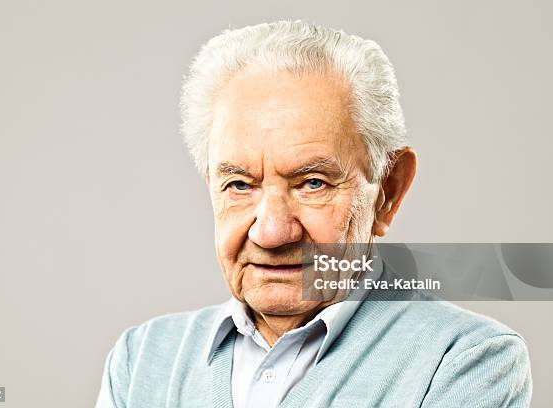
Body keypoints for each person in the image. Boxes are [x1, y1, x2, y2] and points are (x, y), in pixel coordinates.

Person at [95, 20, 532, 407]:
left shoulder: (465, 361)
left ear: (388, 192)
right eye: (240, 185)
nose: (270, 232)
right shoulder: (142, 359)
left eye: (312, 183)